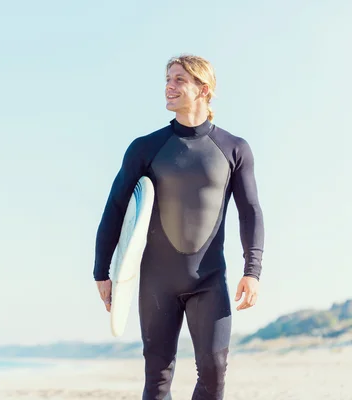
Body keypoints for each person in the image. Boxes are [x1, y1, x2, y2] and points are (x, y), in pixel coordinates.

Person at [93, 54, 264, 400]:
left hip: (209, 279)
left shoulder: (234, 149)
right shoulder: (145, 148)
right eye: (167, 79)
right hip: (157, 280)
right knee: (157, 376)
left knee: (214, 371)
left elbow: (250, 211)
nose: (169, 87)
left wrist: (253, 270)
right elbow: (115, 208)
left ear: (204, 89)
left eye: (178, 80)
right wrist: (102, 270)